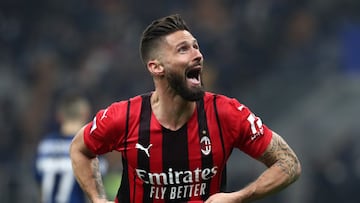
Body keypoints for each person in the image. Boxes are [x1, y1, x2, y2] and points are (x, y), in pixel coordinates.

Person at [69, 14, 301, 203]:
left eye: (196, 47)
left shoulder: (226, 113)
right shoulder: (124, 117)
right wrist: (97, 199)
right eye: (183, 49)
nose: (198, 55)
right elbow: (80, 149)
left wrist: (239, 197)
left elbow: (289, 163)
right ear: (156, 67)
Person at [35, 92, 108, 203]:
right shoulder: (89, 147)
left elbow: (40, 187)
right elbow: (97, 189)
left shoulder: (45, 146)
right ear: (86, 114)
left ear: (59, 116)